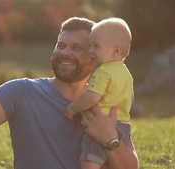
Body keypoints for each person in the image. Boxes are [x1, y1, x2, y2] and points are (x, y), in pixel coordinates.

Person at [0, 17, 138, 169]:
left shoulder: (105, 104)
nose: (65, 52)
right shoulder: (22, 92)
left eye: (78, 48)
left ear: (95, 56)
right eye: (61, 45)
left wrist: (110, 140)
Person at [65, 18, 134, 169]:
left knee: (89, 161)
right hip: (122, 127)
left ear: (116, 50)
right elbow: (130, 97)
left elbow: (91, 98)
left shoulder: (102, 71)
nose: (90, 51)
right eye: (89, 46)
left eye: (96, 46)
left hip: (98, 124)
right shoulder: (125, 73)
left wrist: (73, 108)